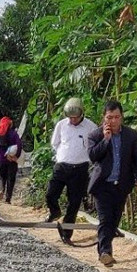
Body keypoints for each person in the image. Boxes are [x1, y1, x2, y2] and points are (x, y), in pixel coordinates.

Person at [86, 100, 137, 266]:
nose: (112, 121)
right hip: (102, 185)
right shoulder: (95, 135)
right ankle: (105, 252)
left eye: (116, 117)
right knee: (105, 219)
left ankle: (103, 248)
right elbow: (93, 157)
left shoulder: (131, 135)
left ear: (122, 117)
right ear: (104, 118)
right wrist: (105, 140)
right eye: (109, 117)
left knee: (114, 221)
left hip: (121, 185)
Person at [45, 97, 97, 241]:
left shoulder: (91, 127)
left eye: (76, 117)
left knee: (74, 203)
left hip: (80, 169)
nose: (73, 120)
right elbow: (55, 143)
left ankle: (66, 234)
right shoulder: (61, 125)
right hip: (62, 166)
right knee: (51, 194)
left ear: (82, 114)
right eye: (70, 117)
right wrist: (62, 155)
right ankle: (54, 211)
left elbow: (95, 146)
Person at [0, 116, 22, 203]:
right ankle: (8, 198)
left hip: (2, 160)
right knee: (11, 178)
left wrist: (3, 156)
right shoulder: (14, 134)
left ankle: (2, 189)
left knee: (3, 177)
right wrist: (16, 156)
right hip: (12, 160)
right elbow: (19, 145)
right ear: (9, 124)